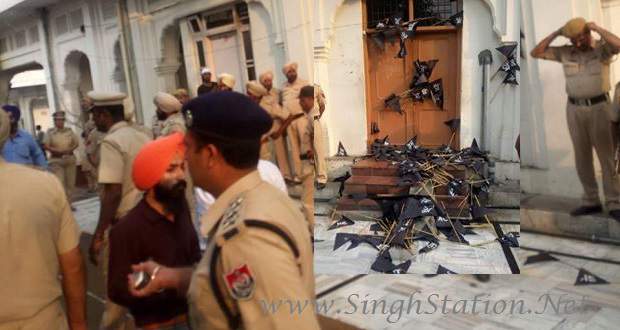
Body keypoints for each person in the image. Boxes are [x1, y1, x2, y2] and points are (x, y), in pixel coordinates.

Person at [128, 91, 319, 329]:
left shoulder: (247, 238)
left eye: (188, 147)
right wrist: (169, 277)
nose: (184, 158)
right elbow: (230, 283)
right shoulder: (261, 199)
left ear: (209, 155)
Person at [0, 109, 86, 330]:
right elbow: (72, 265)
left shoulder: (43, 177)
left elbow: (40, 157)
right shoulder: (47, 186)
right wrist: (78, 325)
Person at [108, 132, 201, 329]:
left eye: (182, 167)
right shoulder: (127, 229)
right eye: (171, 170)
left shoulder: (180, 209)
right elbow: (116, 290)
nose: (181, 175)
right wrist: (151, 286)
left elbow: (194, 258)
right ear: (151, 179)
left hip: (193, 318)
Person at [531, 18, 620, 220]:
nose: (578, 42)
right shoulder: (564, 52)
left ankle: (614, 203)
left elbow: (618, 45)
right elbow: (536, 52)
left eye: (581, 37)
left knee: (607, 158)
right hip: (574, 109)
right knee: (582, 158)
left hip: (600, 108)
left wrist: (597, 28)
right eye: (573, 39)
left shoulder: (602, 50)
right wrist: (557, 32)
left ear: (588, 33)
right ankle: (591, 201)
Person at [86, 91, 152, 329]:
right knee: (145, 288)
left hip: (123, 226)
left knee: (116, 298)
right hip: (147, 221)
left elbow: (112, 193)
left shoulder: (112, 142)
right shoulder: (142, 136)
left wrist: (99, 233)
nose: (93, 120)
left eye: (95, 115)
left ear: (105, 115)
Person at [259, 71, 293, 178]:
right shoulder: (259, 94)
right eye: (266, 81)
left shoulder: (277, 93)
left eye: (270, 81)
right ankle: (270, 177)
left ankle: (285, 175)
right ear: (262, 83)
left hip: (278, 123)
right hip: (265, 125)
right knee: (266, 152)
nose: (268, 83)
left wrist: (283, 129)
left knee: (281, 152)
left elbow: (284, 109)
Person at [281, 62, 308, 184]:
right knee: (294, 150)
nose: (291, 73)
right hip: (289, 122)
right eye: (289, 72)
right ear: (286, 74)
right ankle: (298, 175)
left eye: (293, 71)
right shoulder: (284, 87)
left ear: (296, 72)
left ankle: (309, 173)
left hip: (301, 118)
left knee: (305, 147)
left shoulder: (304, 83)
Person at [44, 111, 80, 202]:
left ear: (64, 121)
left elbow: (76, 143)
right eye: (58, 120)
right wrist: (57, 150)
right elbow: (45, 145)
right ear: (55, 121)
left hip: (69, 159)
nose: (60, 122)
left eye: (62, 120)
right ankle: (63, 204)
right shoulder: (50, 132)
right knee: (60, 182)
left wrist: (70, 149)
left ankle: (69, 203)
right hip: (56, 160)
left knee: (70, 183)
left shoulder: (69, 131)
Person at [298, 85, 319, 228]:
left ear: (311, 99)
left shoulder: (312, 118)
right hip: (305, 162)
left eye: (303, 101)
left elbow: (316, 142)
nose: (301, 104)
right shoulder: (308, 116)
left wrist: (311, 152)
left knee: (307, 203)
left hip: (308, 163)